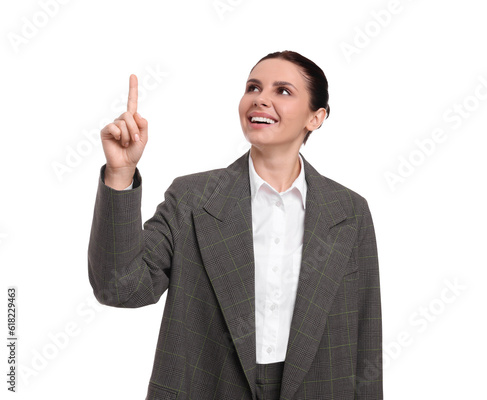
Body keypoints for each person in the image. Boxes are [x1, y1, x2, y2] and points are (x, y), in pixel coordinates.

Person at [88, 50, 383, 400]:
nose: (261, 99)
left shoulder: (349, 212)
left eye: (283, 91)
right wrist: (120, 173)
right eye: (253, 87)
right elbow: (119, 289)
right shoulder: (193, 198)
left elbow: (366, 336)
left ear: (315, 118)